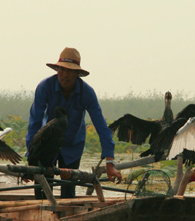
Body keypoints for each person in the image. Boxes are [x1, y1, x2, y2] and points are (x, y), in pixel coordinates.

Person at [26, 47, 123, 198]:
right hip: (45, 146)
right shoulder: (45, 87)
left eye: (70, 71)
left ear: (77, 73)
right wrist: (30, 159)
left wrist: (110, 162)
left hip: (72, 145)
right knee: (42, 190)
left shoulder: (87, 93)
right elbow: (35, 123)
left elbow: (101, 127)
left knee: (68, 192)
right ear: (57, 69)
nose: (64, 75)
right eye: (62, 70)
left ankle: (65, 218)